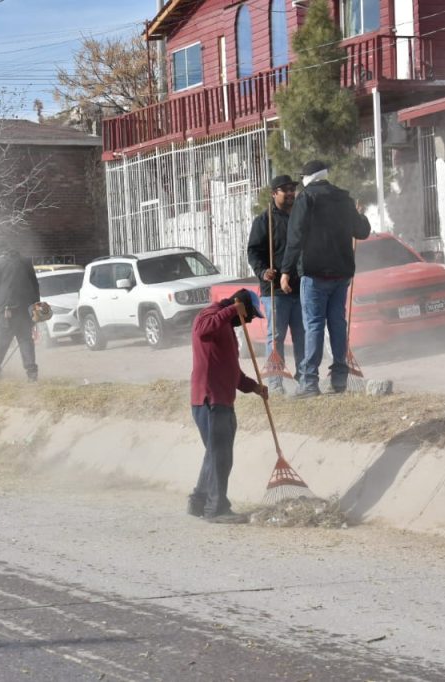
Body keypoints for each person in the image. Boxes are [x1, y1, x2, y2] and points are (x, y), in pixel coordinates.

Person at [280, 160, 371, 397]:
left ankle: (310, 382)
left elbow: (295, 236)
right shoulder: (344, 198)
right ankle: (339, 379)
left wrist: (286, 271)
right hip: (341, 273)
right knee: (338, 323)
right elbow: (361, 231)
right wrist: (362, 216)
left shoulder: (306, 198)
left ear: (307, 178)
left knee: (314, 325)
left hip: (314, 272)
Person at [188, 289, 269, 523]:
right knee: (221, 456)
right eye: (249, 314)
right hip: (209, 400)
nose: (249, 320)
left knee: (214, 454)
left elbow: (231, 370)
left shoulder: (226, 329)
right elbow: (202, 330)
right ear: (239, 306)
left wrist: (253, 386)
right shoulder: (209, 315)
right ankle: (217, 509)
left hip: (222, 400)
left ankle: (199, 502)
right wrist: (233, 309)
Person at [247, 174, 304, 395]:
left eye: (292, 189)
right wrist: (263, 271)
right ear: (274, 194)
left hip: (300, 287)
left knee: (302, 334)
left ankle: (304, 377)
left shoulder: (300, 217)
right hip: (275, 290)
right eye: (285, 189)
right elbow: (253, 252)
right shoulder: (264, 221)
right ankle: (276, 382)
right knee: (277, 336)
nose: (290, 193)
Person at [0, 240, 41, 381]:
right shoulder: (26, 262)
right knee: (25, 341)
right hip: (25, 312)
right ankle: (32, 374)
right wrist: (37, 312)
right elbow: (35, 287)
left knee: (0, 344)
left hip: (7, 312)